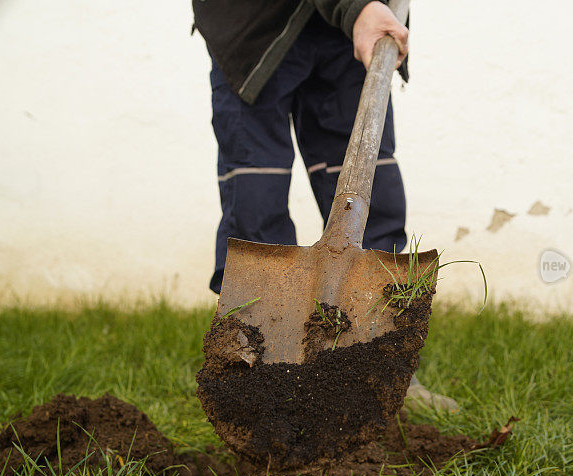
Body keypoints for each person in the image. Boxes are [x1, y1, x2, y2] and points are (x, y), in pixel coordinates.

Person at [192, 0, 458, 411]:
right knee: (256, 197)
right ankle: (255, 381)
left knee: (374, 194)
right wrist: (358, 7)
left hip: (347, 36)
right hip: (253, 25)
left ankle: (381, 375)